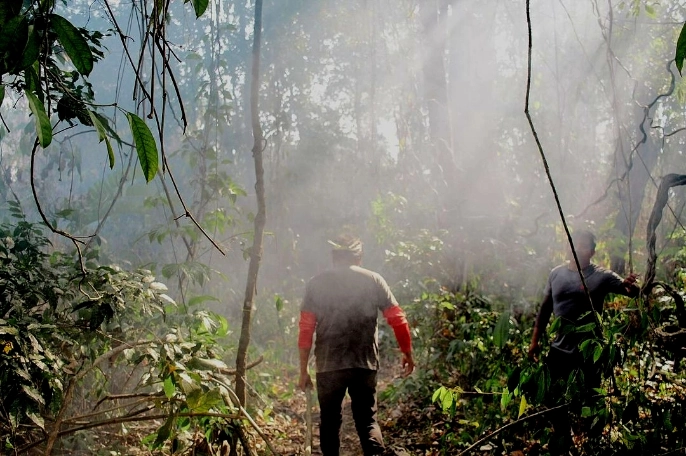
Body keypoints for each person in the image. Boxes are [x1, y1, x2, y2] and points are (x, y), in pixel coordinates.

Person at [297, 235, 415, 456]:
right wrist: (407, 352)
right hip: (365, 363)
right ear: (359, 257)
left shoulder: (316, 283)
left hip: (328, 364)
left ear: (334, 257)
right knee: (367, 421)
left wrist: (303, 370)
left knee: (330, 420)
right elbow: (397, 318)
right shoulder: (374, 280)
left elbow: (306, 329)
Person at [528, 230, 639, 453]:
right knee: (552, 397)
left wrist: (631, 286)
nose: (576, 249)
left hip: (589, 352)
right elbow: (545, 309)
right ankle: (564, 438)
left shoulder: (601, 275)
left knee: (591, 400)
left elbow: (630, 291)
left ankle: (592, 443)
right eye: (573, 244)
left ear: (592, 251)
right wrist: (535, 341)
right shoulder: (556, 274)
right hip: (559, 349)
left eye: (582, 245)